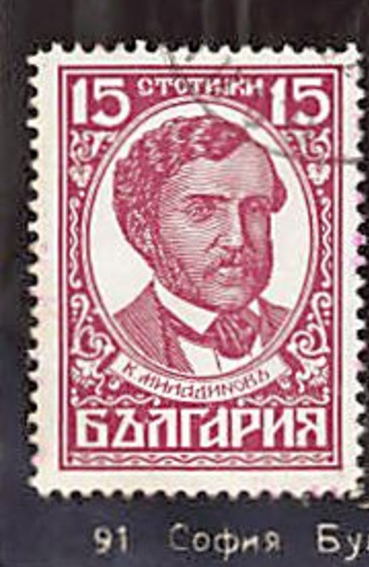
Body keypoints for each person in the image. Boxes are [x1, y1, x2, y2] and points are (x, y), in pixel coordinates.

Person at [110, 115, 292, 375]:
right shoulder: (116, 338)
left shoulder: (302, 329)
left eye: (254, 209)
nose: (236, 239)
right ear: (144, 232)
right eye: (201, 211)